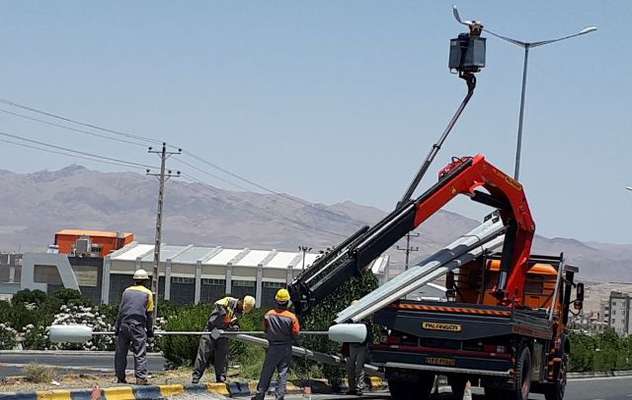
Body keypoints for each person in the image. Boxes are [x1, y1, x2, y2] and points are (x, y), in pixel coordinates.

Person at [191, 294, 256, 384]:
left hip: (223, 333)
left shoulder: (236, 309)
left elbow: (233, 320)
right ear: (241, 302)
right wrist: (229, 327)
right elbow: (215, 320)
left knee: (222, 356)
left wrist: (235, 326)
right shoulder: (225, 303)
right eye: (242, 309)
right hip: (212, 331)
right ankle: (196, 377)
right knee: (204, 353)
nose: (241, 312)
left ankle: (221, 377)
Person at [252, 288, 300, 400]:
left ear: (276, 301)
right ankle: (279, 397)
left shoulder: (269, 314)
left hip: (273, 347)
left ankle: (259, 395)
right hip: (286, 348)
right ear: (287, 302)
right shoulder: (292, 317)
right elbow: (296, 332)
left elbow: (264, 329)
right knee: (283, 374)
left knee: (266, 372)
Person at [114, 269, 154, 385]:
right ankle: (140, 378)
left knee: (121, 353)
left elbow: (121, 311)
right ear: (146, 281)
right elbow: (149, 315)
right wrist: (150, 330)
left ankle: (120, 378)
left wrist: (117, 328)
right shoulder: (148, 293)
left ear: (135, 280)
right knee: (140, 352)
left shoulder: (126, 292)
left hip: (124, 325)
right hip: (138, 326)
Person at [345, 300, 372, 396]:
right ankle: (351, 388)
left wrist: (368, 345)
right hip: (351, 346)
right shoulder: (348, 319)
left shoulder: (364, 319)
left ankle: (358, 387)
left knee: (359, 369)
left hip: (361, 346)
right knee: (350, 368)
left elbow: (368, 333)